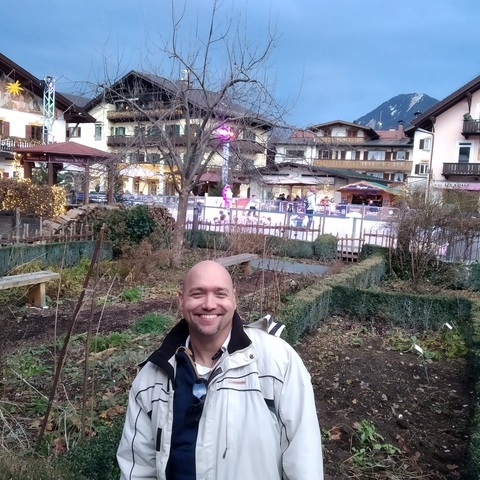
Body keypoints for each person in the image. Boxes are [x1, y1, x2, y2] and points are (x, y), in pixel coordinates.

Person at [117, 260, 324, 480]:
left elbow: (304, 459)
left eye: (220, 294)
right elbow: (137, 469)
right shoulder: (151, 378)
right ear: (181, 300)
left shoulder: (278, 363)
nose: (209, 304)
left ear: (233, 298)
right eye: (197, 294)